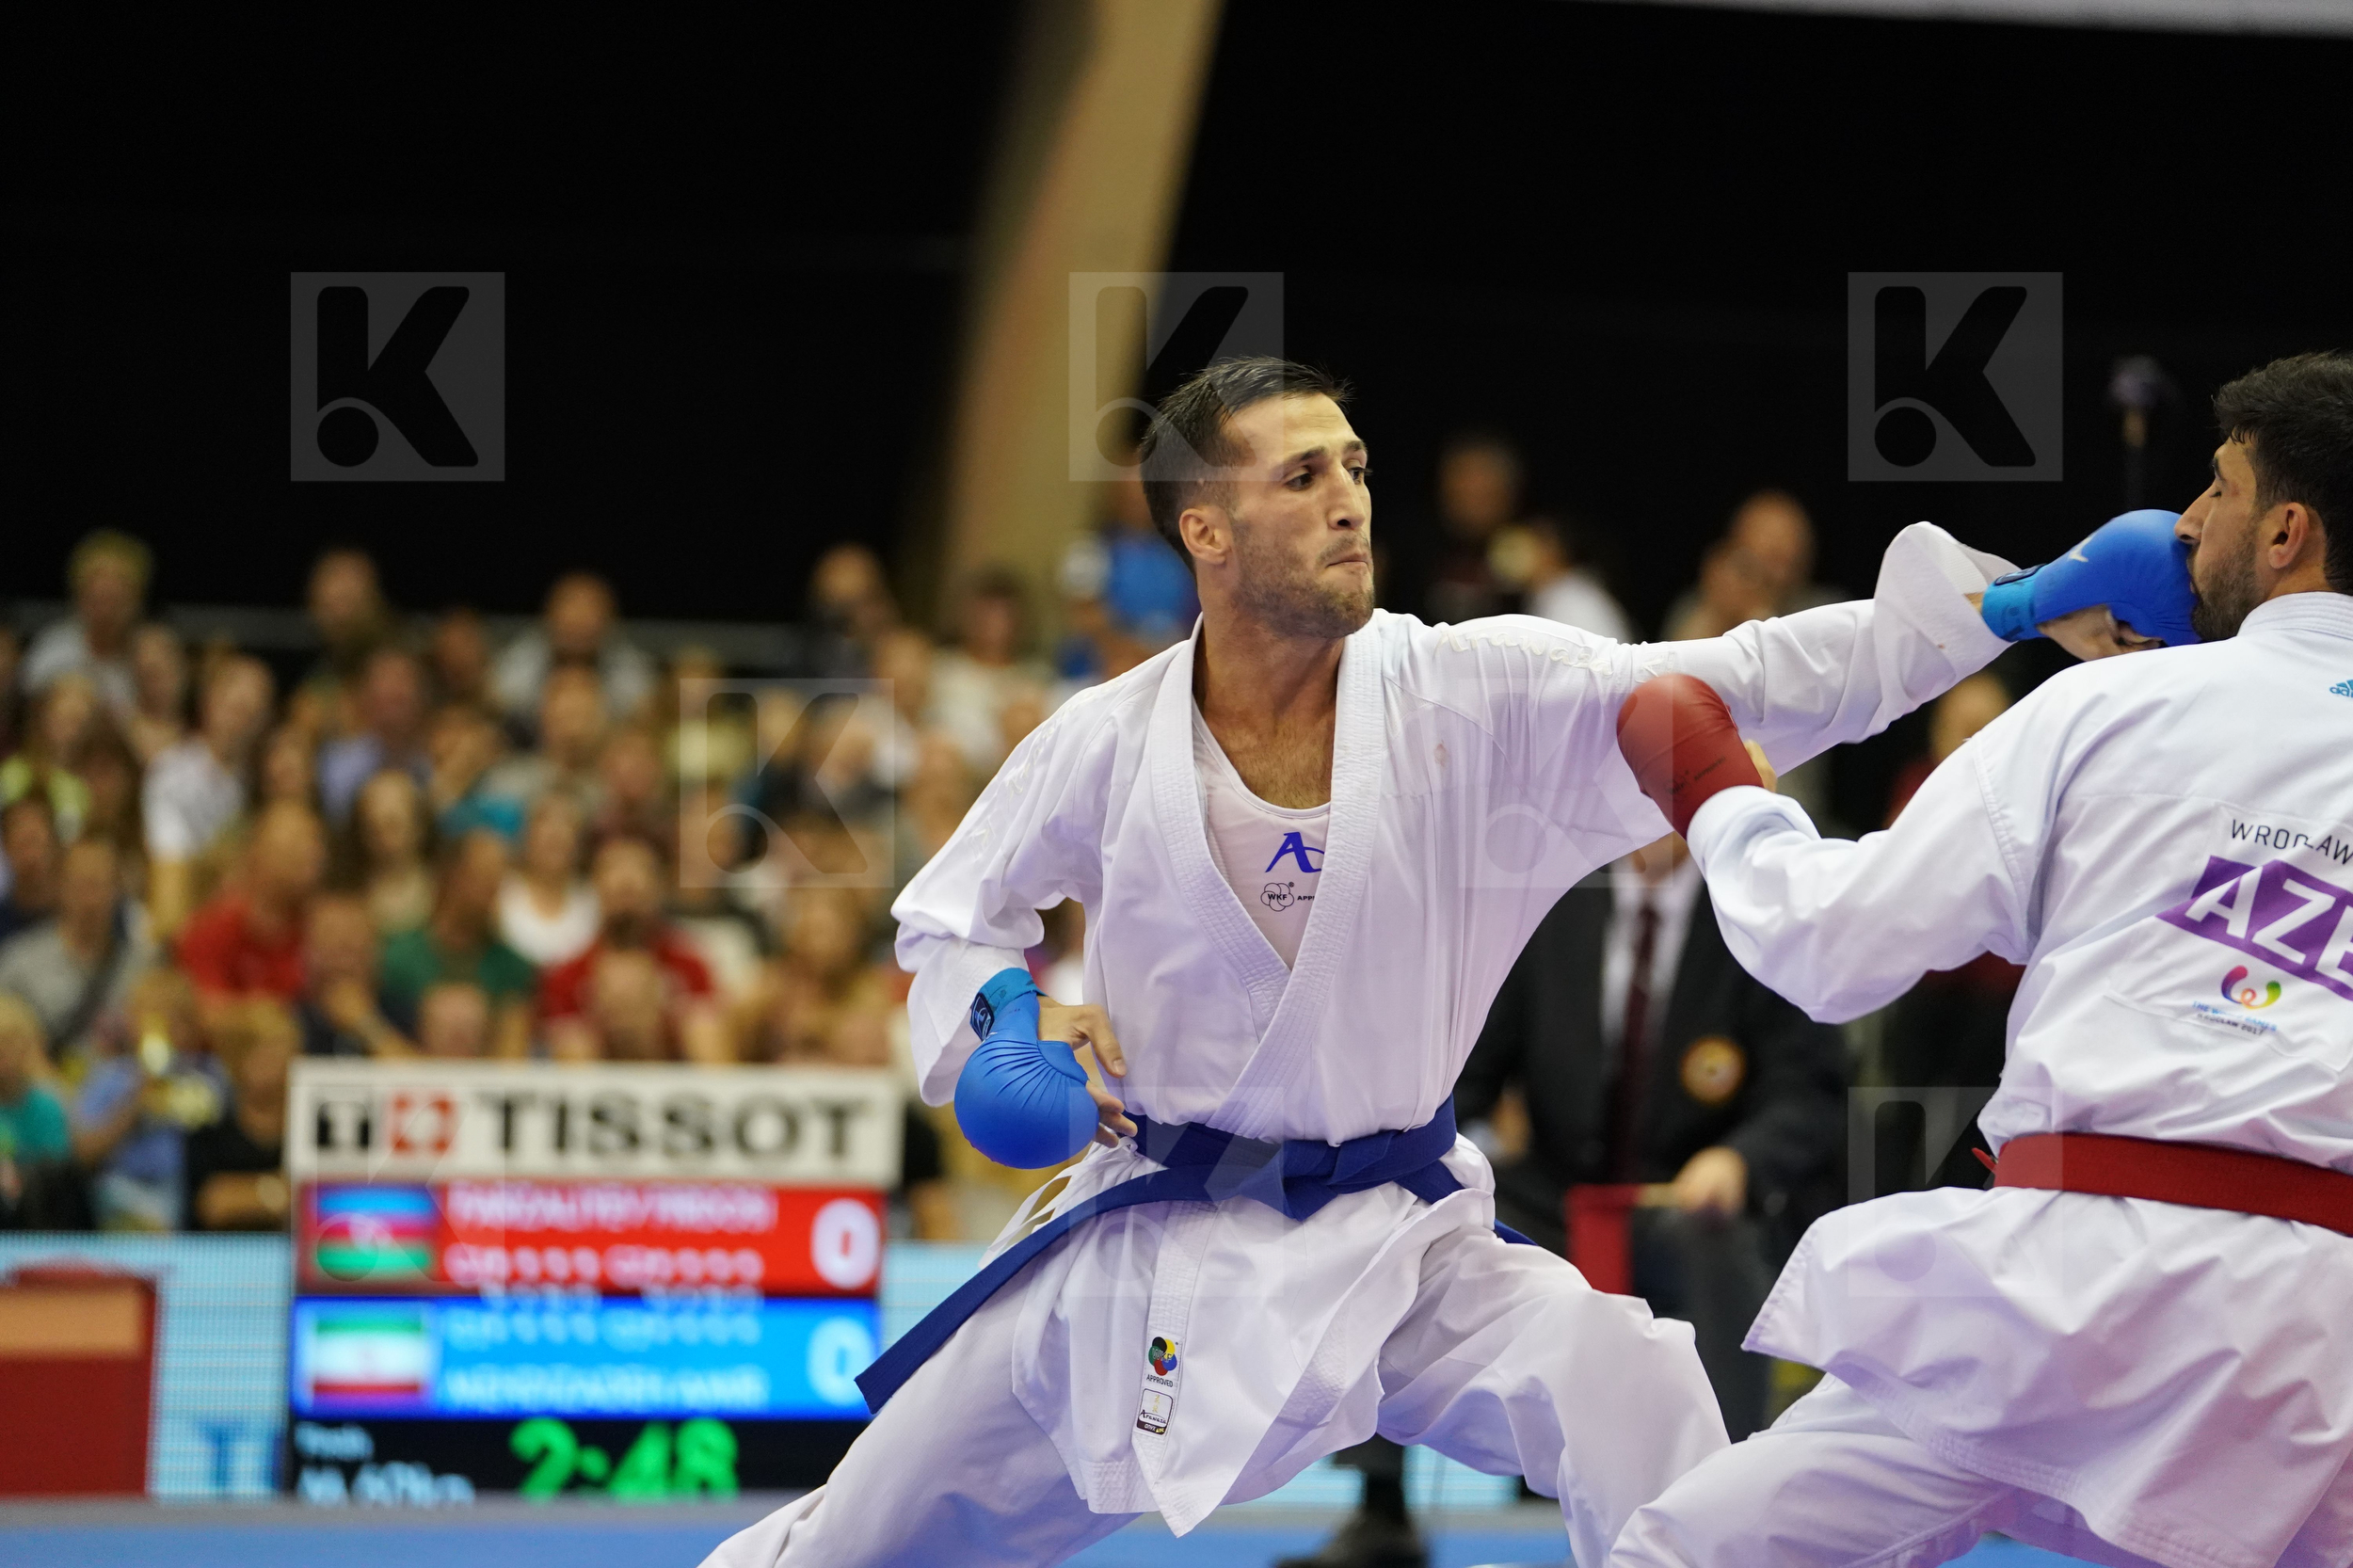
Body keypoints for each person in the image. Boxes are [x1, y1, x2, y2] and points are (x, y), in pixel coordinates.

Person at [700, 357, 2163, 1568]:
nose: (1350, 502)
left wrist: (2010, 610)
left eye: (1355, 467)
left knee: (1629, 1378)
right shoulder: (1101, 738)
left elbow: (1743, 676)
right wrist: (1014, 1017)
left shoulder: (1472, 694)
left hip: (1401, 1241)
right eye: (1302, 478)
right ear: (1202, 533)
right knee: (854, 1541)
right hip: (1142, 1237)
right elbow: (954, 918)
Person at [1608, 354, 2353, 1568]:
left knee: (1689, 1554)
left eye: (2215, 491)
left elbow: (1828, 939)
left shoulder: (2109, 712)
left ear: (2285, 529)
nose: (2182, 524)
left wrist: (1720, 797)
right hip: (2324, 1347)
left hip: (2077, 1292)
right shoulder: (2133, 700)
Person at [1460, 830, 1844, 1437]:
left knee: (1711, 1237)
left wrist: (1738, 1160)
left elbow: (1810, 1089)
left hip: (1684, 1199)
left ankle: (1722, 1470)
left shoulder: (1759, 909)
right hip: (1556, 1198)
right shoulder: (1550, 901)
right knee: (1420, 1216)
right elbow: (1473, 1069)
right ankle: (1382, 1507)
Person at [540, 834, 723, 1064]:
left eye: (639, 870)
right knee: (574, 1041)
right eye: (613, 869)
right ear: (593, 885)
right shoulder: (565, 976)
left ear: (659, 888)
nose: (627, 880)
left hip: (673, 1078)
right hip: (594, 1083)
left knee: (701, 1025)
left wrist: (655, 1031)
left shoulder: (690, 966)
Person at [145, 654, 274, 938]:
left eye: (252, 714)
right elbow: (169, 865)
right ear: (210, 703)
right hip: (186, 912)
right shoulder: (169, 773)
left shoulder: (266, 784)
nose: (241, 723)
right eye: (236, 708)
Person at [0, 837, 155, 1074]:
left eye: (99, 885)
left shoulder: (142, 968)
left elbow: (155, 1047)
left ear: (117, 891)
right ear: (60, 887)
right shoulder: (18, 964)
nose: (90, 899)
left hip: (119, 1094)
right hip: (43, 1098)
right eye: (81, 884)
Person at [377, 830, 535, 1059]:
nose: (492, 890)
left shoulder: (512, 967)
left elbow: (511, 1059)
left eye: (498, 880)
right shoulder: (398, 957)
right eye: (482, 877)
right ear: (452, 876)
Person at [178, 800, 327, 1027]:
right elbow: (209, 1017)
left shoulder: (322, 928)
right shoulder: (211, 932)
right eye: (295, 846)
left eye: (315, 843)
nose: (312, 855)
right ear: (256, 853)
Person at [489, 571, 658, 728]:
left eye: (590, 610)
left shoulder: (629, 668)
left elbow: (644, 709)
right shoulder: (521, 660)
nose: (580, 621)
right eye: (571, 608)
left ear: (610, 621)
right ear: (549, 616)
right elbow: (499, 700)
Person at [182, 1002, 293, 1231]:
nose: (281, 1068)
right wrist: (282, 1192)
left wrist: (247, 1194)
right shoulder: (210, 1130)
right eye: (267, 1057)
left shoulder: (311, 1129)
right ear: (236, 1061)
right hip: (223, 1257)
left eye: (287, 1055)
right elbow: (214, 1204)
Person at [20, 530, 150, 712]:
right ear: (78, 598)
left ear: (136, 602)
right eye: (97, 600)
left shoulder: (148, 659)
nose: (106, 613)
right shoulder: (52, 653)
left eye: (115, 601)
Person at [318, 647, 430, 824]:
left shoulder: (435, 763)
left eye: (403, 684)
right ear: (365, 698)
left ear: (421, 697)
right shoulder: (337, 765)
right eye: (386, 686)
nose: (396, 691)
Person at [296, 892, 411, 1059]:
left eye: (354, 944)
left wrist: (367, 1025)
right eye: (330, 938)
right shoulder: (292, 1019)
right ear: (307, 951)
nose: (342, 960)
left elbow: (420, 1080)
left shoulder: (403, 1016)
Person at [497, 790, 600, 968]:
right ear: (526, 833)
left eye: (567, 823)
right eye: (544, 821)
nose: (555, 833)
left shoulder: (594, 900)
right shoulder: (499, 893)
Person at [335, 768, 436, 936]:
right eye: (373, 828)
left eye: (393, 825)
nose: (383, 839)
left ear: (419, 826)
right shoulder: (347, 893)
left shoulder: (442, 890)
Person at [0, 794, 62, 947]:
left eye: (36, 842)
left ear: (53, 843)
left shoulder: (73, 912)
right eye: (22, 846)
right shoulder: (3, 918)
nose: (31, 857)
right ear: (7, 848)